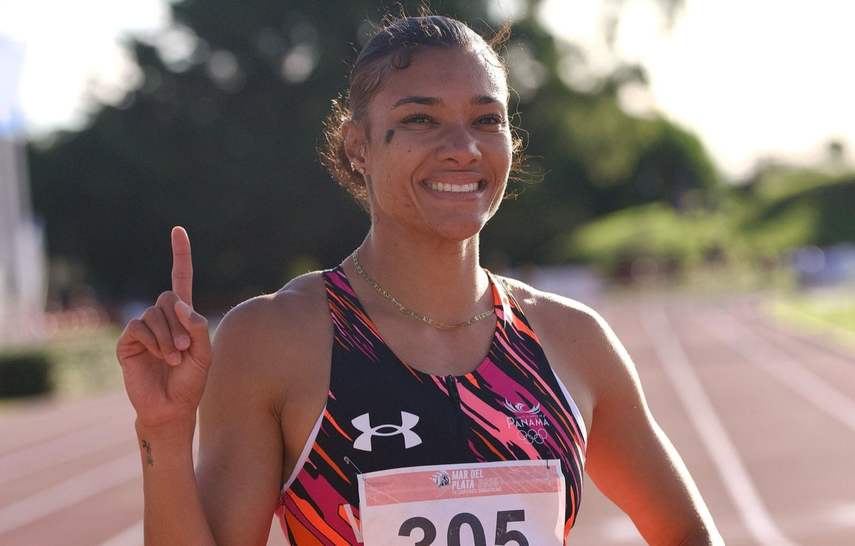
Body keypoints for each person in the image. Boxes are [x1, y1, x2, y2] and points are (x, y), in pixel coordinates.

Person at [116, 14, 723, 546]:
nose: (462, 148)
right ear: (358, 146)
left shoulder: (573, 341)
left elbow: (689, 533)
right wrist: (164, 435)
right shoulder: (276, 339)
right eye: (420, 120)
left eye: (487, 119)